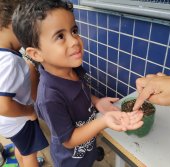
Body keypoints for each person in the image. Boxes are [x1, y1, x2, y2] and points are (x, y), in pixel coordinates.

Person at [12, 0, 144, 166]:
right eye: (60, 36)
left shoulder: (73, 69)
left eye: (74, 31)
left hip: (88, 148)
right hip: (71, 161)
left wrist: (97, 102)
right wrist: (103, 121)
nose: (75, 41)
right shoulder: (49, 97)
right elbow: (68, 140)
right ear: (36, 54)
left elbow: (80, 92)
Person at [0, 1, 49, 167]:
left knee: (22, 147)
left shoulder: (5, 55)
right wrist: (29, 111)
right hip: (19, 119)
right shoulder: (9, 62)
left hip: (7, 123)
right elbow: (3, 106)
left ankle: (21, 162)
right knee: (30, 155)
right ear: (13, 25)